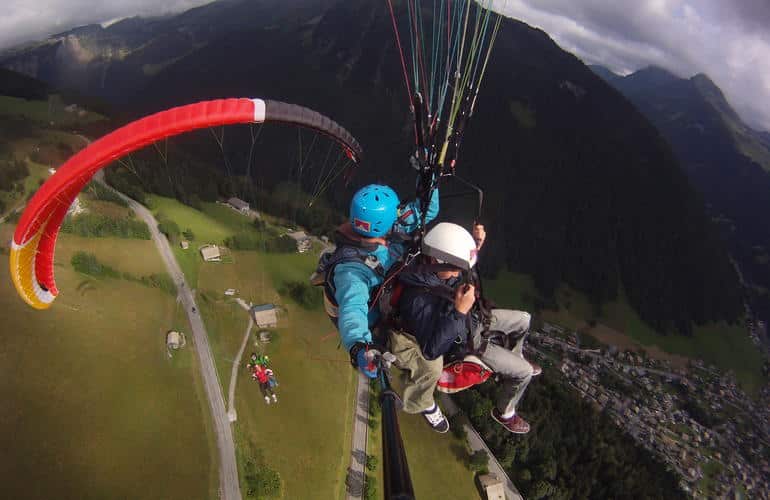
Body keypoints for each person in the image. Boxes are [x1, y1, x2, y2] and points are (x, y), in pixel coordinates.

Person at [390, 222, 540, 434]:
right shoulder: (417, 299)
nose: (456, 274)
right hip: (466, 342)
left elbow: (456, 265)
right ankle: (505, 412)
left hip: (472, 320)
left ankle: (516, 355)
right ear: (436, 261)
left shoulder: (435, 269)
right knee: (523, 373)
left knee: (524, 319)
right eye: (454, 269)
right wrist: (459, 312)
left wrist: (474, 246)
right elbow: (432, 350)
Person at [312, 181, 439, 377]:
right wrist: (360, 348)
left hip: (393, 288)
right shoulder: (351, 271)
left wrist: (429, 180)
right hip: (375, 322)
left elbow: (426, 211)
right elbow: (352, 309)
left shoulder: (386, 226)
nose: (399, 214)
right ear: (386, 222)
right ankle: (425, 402)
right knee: (429, 367)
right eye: (396, 213)